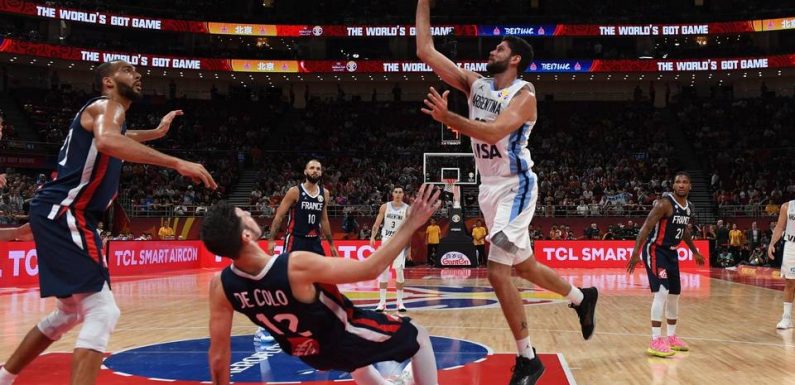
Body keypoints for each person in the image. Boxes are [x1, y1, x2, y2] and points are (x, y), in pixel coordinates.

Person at [0, 60, 216, 385]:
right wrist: (177, 162)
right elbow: (109, 142)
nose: (138, 74)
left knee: (68, 313)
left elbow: (118, 136)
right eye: (128, 70)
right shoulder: (108, 106)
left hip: (61, 209)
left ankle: (4, 376)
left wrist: (156, 133)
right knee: (103, 311)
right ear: (108, 82)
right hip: (68, 211)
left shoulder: (108, 116)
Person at [415, 2, 598, 384]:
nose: (491, 52)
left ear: (515, 58)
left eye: (499, 48)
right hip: (489, 189)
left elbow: (495, 132)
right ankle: (581, 298)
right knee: (524, 266)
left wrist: (450, 119)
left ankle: (528, 358)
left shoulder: (524, 94)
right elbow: (426, 51)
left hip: (517, 186)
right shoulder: (475, 84)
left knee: (498, 272)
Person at [202, 184, 442, 385]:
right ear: (245, 236)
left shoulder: (221, 285)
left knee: (359, 365)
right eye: (242, 214)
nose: (247, 213)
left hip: (310, 353)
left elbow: (218, 357)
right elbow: (371, 268)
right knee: (418, 336)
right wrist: (411, 223)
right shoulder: (295, 265)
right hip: (344, 338)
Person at [627, 172, 705, 358]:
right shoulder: (664, 204)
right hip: (655, 251)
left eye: (685, 182)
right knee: (661, 292)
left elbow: (684, 230)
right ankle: (655, 340)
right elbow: (645, 227)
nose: (681, 185)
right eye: (678, 182)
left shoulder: (688, 207)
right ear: (673, 185)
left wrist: (694, 251)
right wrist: (635, 253)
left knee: (674, 295)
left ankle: (671, 337)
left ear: (690, 186)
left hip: (671, 253)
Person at [268, 160, 338, 258]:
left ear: (321, 173)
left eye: (318, 169)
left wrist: (331, 244)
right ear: (305, 171)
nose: (315, 171)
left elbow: (324, 219)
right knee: (288, 271)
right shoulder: (295, 191)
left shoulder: (325, 193)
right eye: (312, 168)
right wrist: (271, 240)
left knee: (319, 272)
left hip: (315, 241)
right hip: (296, 239)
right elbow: (279, 216)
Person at [370, 186, 411, 312]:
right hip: (386, 241)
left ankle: (400, 303)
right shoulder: (385, 206)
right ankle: (382, 303)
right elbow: (377, 224)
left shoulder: (407, 209)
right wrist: (372, 237)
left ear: (403, 194)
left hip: (399, 242)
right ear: (392, 194)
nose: (398, 194)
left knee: (399, 272)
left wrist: (409, 248)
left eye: (400, 192)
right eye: (396, 192)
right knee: (384, 272)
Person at [767, 200, 795, 329]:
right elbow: (779, 227)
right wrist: (772, 244)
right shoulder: (787, 206)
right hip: (791, 246)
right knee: (789, 283)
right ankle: (787, 318)